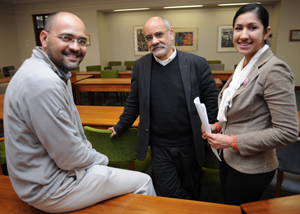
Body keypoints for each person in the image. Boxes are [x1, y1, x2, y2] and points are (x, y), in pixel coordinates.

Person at [4, 11, 156, 213]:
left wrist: (91, 157)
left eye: (82, 41)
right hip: (49, 188)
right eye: (66, 38)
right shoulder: (44, 82)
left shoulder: (45, 70)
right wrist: (103, 161)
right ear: (44, 38)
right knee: (144, 181)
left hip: (38, 178)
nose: (75, 47)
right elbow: (70, 158)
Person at [109, 16, 219, 200]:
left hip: (191, 144)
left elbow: (212, 100)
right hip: (159, 147)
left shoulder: (196, 63)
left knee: (192, 191)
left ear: (171, 34)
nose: (155, 41)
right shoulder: (140, 66)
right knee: (167, 193)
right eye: (149, 37)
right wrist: (120, 126)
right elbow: (134, 101)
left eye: (159, 34)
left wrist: (212, 126)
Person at [202, 4, 299, 205]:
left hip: (251, 167)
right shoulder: (245, 65)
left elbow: (288, 132)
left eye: (252, 27)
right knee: (229, 206)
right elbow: (243, 112)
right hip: (229, 157)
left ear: (266, 32)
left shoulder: (274, 70)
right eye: (238, 28)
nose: (243, 35)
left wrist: (230, 141)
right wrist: (218, 126)